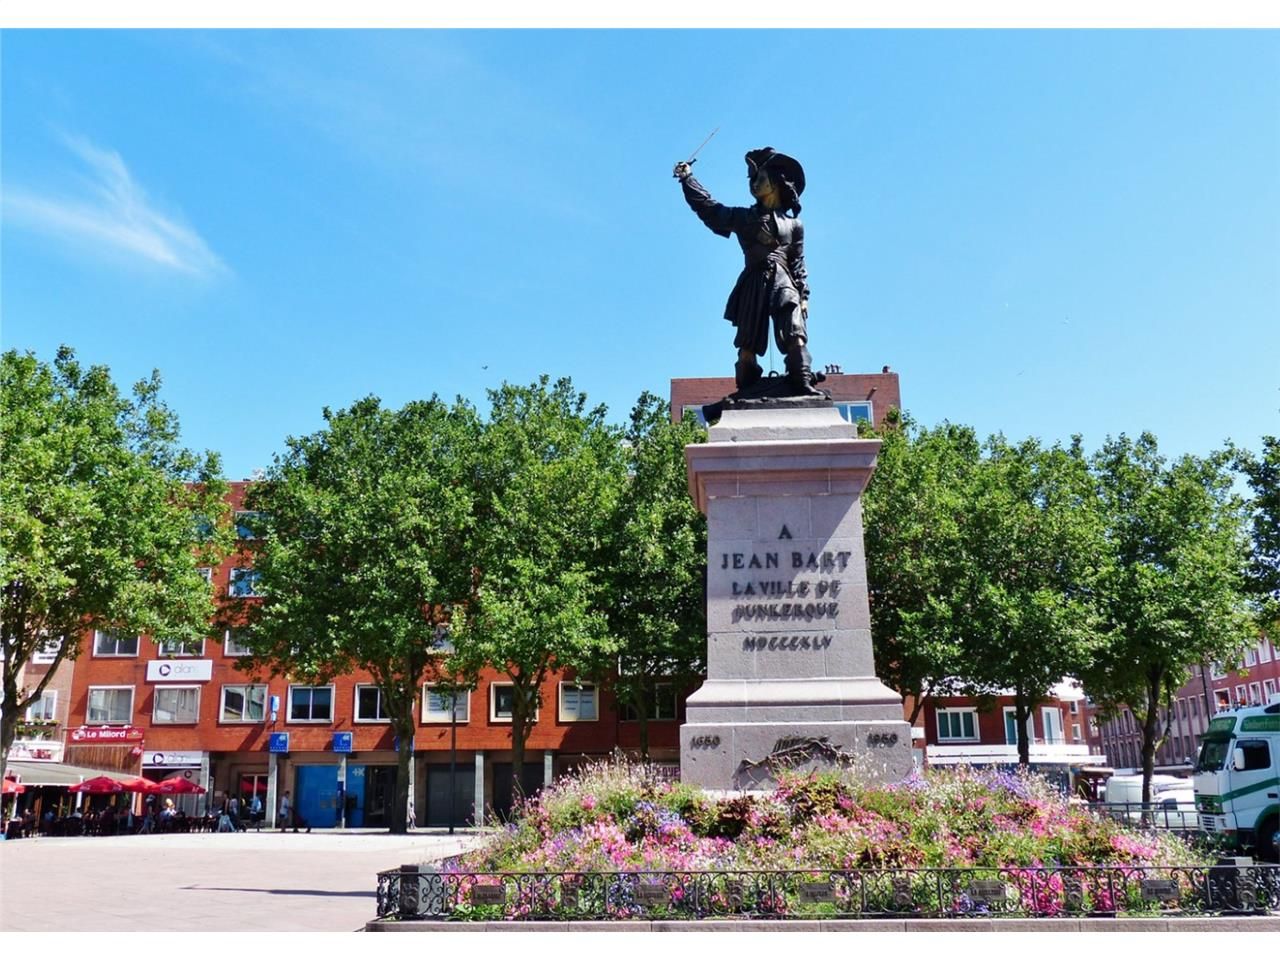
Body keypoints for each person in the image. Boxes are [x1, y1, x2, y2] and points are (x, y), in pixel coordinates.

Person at [673, 147, 821, 396]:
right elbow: (710, 209)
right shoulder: (743, 218)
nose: (754, 184)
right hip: (754, 280)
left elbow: (797, 262)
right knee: (748, 341)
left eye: (759, 178)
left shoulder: (795, 225)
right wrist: (688, 180)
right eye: (752, 180)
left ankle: (801, 379)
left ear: (775, 182)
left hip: (785, 281)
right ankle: (746, 384)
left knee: (796, 329)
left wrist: (804, 295)